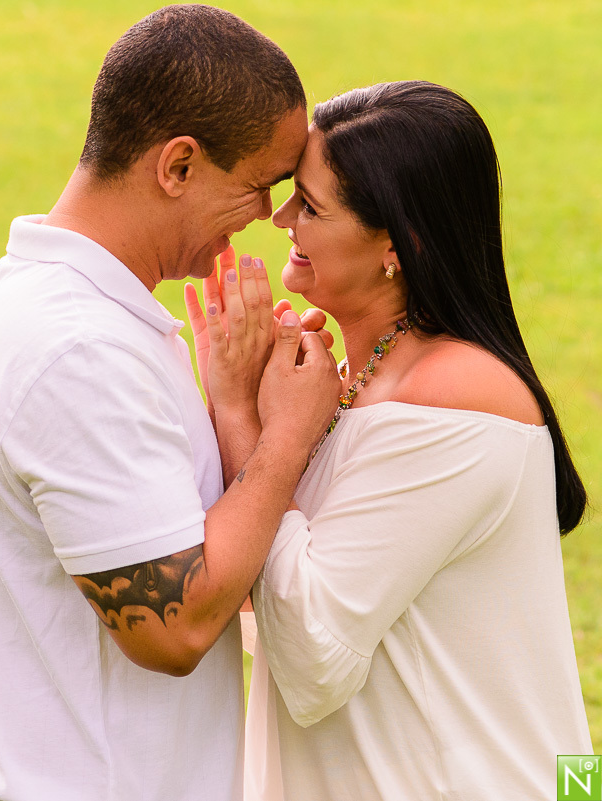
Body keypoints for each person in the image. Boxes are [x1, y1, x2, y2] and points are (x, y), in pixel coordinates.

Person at [0, 6, 340, 801]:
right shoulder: (80, 349)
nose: (271, 217)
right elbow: (173, 625)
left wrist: (231, 406)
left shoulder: (58, 300)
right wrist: (287, 436)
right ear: (177, 165)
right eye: (260, 186)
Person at [225, 81, 592, 801]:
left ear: (398, 244)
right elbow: (259, 602)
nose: (281, 218)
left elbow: (312, 655)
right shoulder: (352, 382)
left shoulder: (452, 397)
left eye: (311, 206)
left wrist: (249, 423)